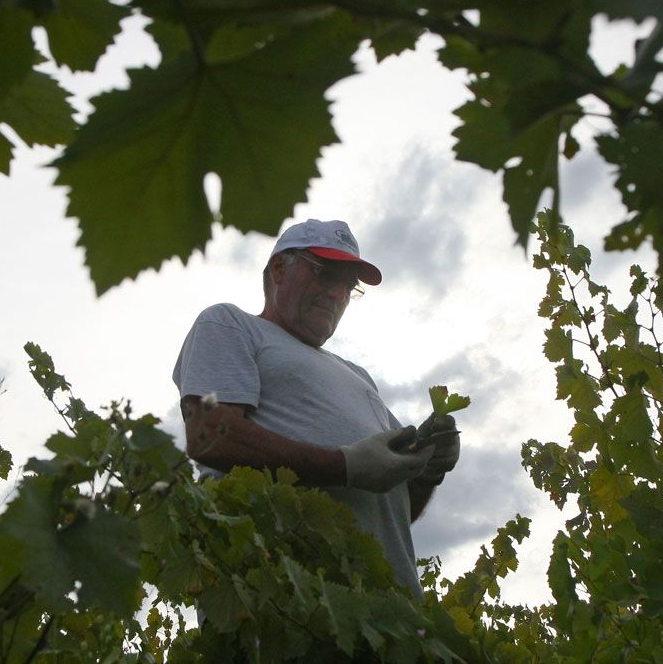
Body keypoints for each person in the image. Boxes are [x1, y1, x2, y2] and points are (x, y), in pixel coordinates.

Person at [172, 219, 461, 596]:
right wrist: (345, 466)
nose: (337, 293)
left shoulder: (357, 375)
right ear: (279, 269)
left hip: (391, 614)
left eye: (348, 286)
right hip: (288, 603)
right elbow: (210, 436)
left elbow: (393, 512)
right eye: (326, 274)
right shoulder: (230, 324)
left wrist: (426, 471)